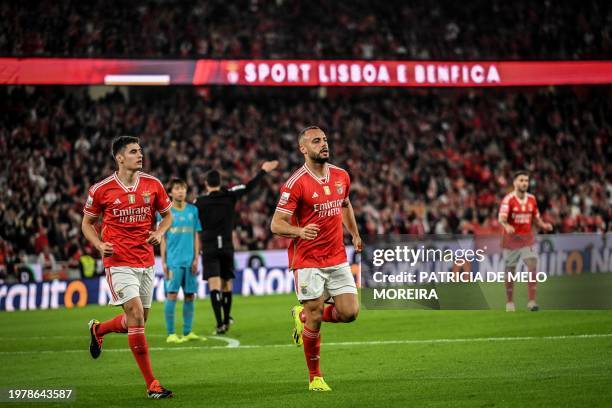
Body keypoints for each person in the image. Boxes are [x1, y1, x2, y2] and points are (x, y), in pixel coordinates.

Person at [270, 126, 362, 392]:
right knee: (316, 317)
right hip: (308, 260)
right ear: (303, 149)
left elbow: (345, 205)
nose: (323, 144)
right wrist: (299, 231)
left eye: (324, 140)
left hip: (336, 256)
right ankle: (315, 377)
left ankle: (301, 315)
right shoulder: (295, 183)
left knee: (350, 312)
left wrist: (354, 234)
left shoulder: (341, 175)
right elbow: (276, 224)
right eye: (316, 141)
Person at [82, 136, 174, 399]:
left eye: (140, 151)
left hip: (145, 260)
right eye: (134, 151)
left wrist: (160, 232)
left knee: (139, 320)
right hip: (118, 261)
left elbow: (167, 215)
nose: (140, 155)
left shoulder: (153, 184)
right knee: (135, 314)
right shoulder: (101, 189)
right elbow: (87, 223)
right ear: (119, 158)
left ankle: (98, 329)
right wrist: (99, 245)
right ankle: (152, 384)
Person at [194, 160, 278, 334]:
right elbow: (248, 187)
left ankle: (219, 324)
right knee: (227, 285)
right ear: (220, 183)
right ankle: (226, 318)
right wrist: (263, 171)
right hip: (226, 246)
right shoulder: (230, 195)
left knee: (214, 286)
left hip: (209, 248)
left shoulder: (199, 202)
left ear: (206, 184)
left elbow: (189, 218)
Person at [498, 170, 553, 312]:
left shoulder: (532, 199)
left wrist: (543, 225)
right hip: (511, 241)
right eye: (521, 180)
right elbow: (501, 219)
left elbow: (536, 218)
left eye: (526, 181)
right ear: (515, 183)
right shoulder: (508, 199)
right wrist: (506, 225)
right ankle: (509, 302)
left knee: (532, 264)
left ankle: (532, 302)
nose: (524, 183)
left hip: (527, 239)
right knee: (510, 271)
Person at [159, 178, 203, 343]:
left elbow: (196, 235)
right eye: (177, 188)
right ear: (170, 192)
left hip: (190, 261)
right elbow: (162, 238)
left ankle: (187, 331)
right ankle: (171, 334)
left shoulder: (193, 210)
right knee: (172, 295)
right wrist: (163, 262)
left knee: (190, 295)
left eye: (183, 188)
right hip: (173, 262)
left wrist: (196, 258)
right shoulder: (165, 212)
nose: (180, 191)